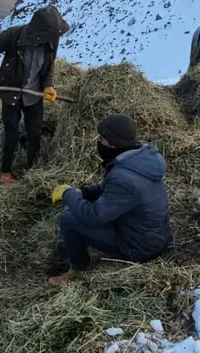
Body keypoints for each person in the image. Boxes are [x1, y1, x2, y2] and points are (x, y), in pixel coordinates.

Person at [47, 114, 172, 286]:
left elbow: (94, 215)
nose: (99, 142)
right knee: (80, 207)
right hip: (153, 236)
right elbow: (111, 191)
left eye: (102, 139)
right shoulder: (139, 159)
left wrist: (68, 194)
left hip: (140, 248)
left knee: (69, 219)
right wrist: (83, 192)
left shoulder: (124, 177)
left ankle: (78, 269)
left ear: (113, 144)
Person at [0, 4, 71, 184]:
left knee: (34, 133)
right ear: (39, 32)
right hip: (11, 93)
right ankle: (6, 173)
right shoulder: (12, 36)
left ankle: (32, 170)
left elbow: (50, 64)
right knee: (12, 133)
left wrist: (48, 86)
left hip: (34, 94)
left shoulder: (51, 40)